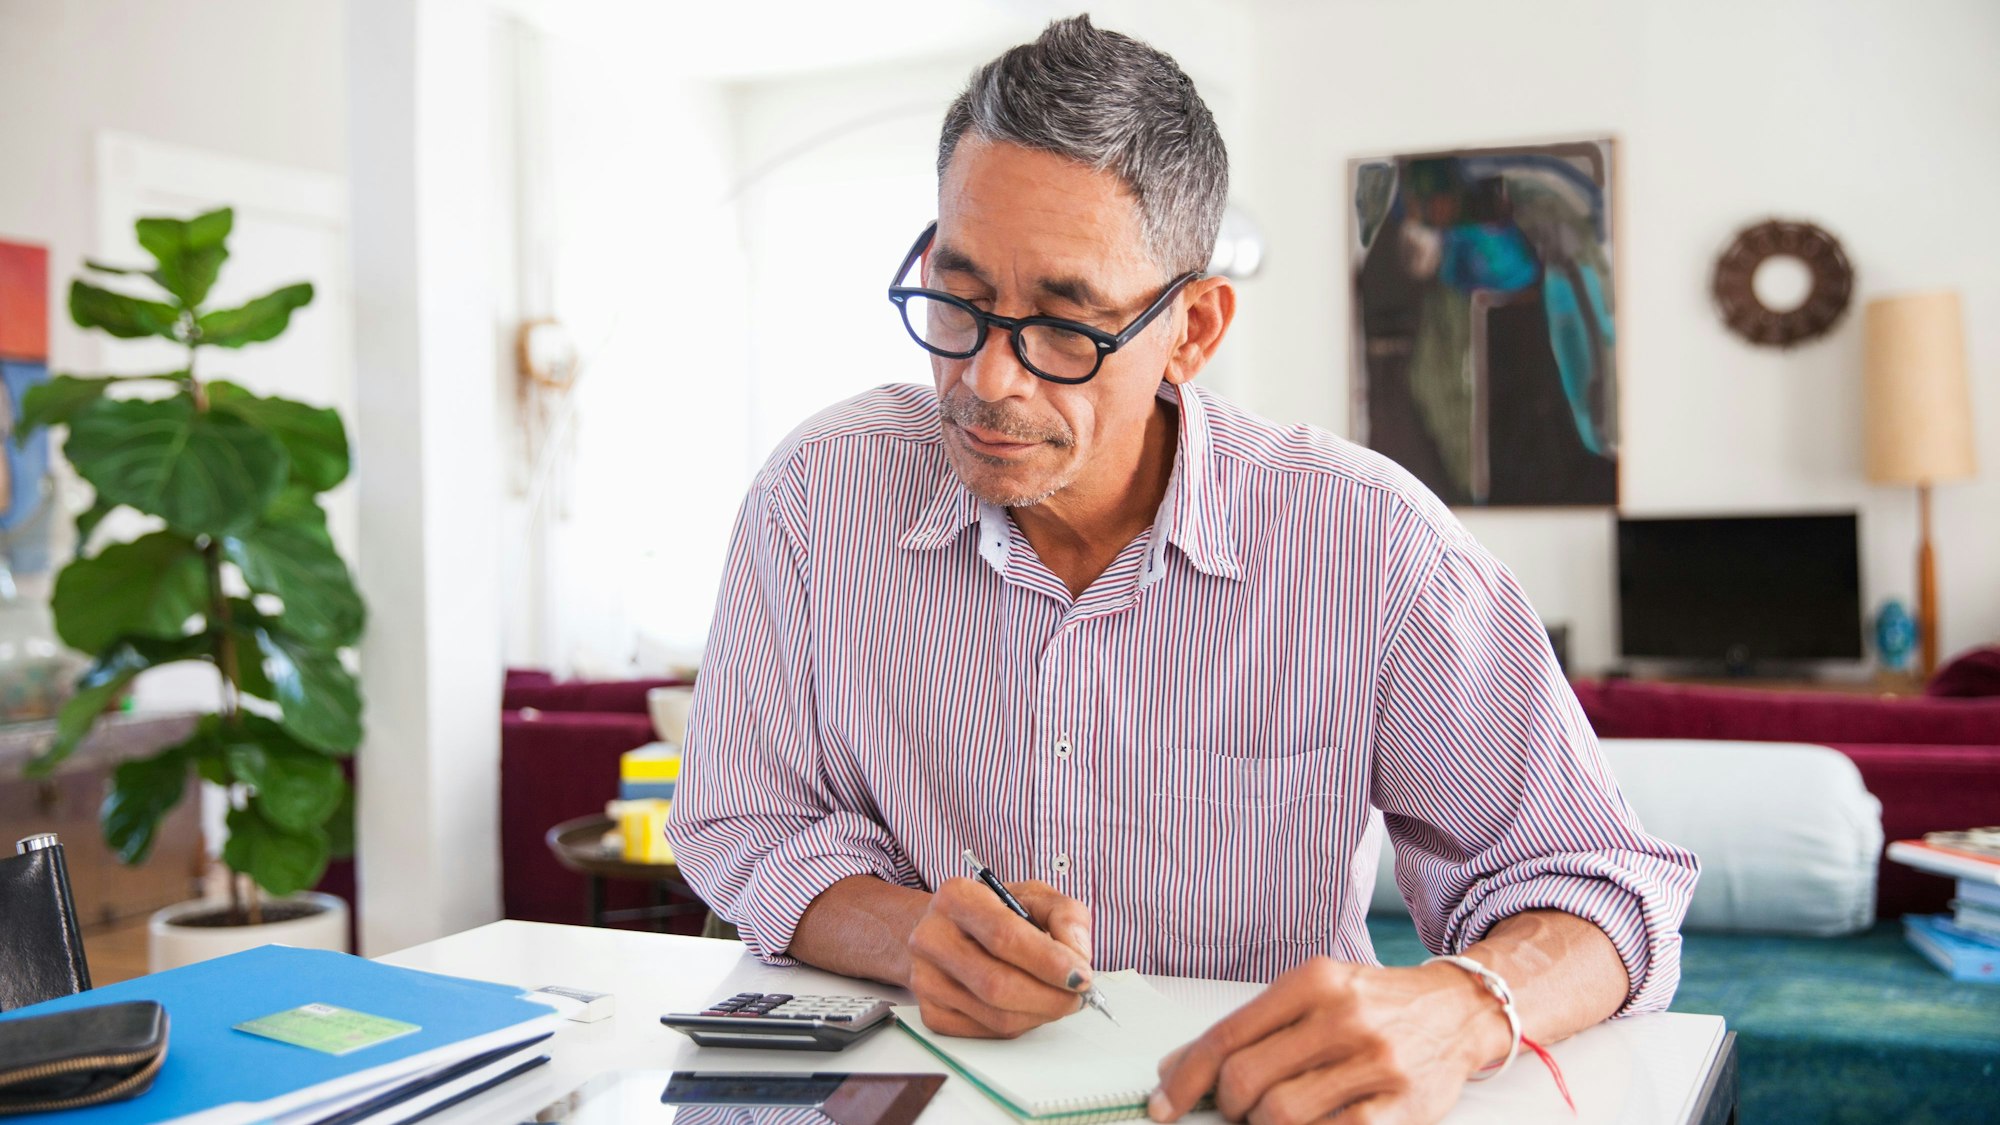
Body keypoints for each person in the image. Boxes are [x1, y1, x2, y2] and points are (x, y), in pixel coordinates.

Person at [666, 16, 1696, 1124]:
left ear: (1193, 328)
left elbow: (1598, 883)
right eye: (958, 298)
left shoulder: (1373, 545)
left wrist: (1455, 1007)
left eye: (1064, 325)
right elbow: (741, 821)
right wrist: (908, 930)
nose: (989, 379)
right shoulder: (816, 497)